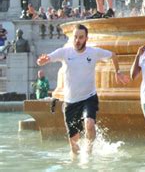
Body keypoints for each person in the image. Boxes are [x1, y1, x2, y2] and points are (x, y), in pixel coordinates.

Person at [36, 24, 129, 156]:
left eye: (81, 37)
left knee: (89, 124)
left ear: (86, 38)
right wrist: (42, 61)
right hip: (70, 102)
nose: (77, 40)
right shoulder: (65, 52)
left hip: (88, 97)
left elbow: (113, 55)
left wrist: (118, 72)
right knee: (74, 146)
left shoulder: (93, 52)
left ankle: (89, 152)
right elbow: (47, 58)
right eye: (75, 37)